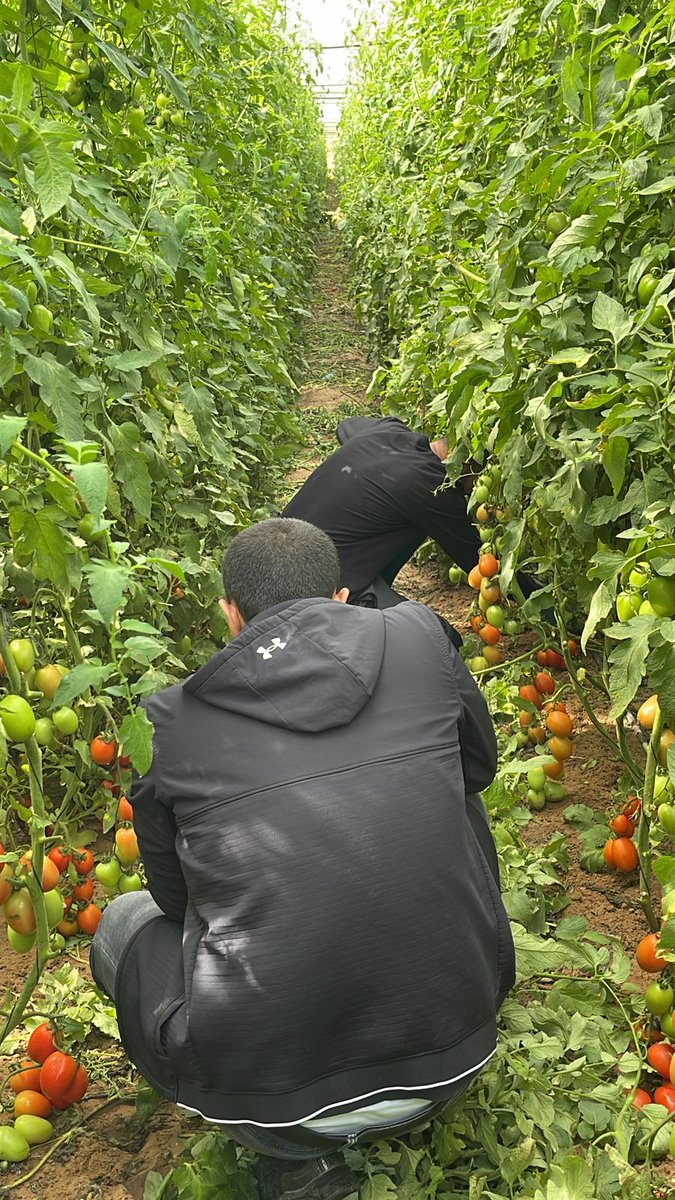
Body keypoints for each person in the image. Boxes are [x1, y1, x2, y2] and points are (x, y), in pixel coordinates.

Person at [90, 518, 514, 1200]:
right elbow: (477, 767)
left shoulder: (168, 723)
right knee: (452, 797)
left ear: (229, 612)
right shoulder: (417, 637)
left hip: (274, 1108)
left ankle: (295, 1160)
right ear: (341, 597)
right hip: (454, 1057)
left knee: (124, 921)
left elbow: (177, 904)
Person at [282, 415, 537, 618]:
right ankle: (358, 610)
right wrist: (542, 602)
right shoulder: (432, 487)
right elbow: (483, 563)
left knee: (399, 521)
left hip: (277, 554)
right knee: (441, 644)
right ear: (473, 467)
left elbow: (348, 426)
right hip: (317, 595)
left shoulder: (390, 430)